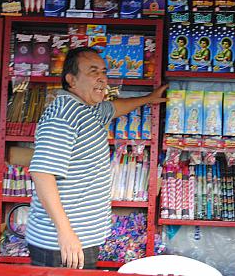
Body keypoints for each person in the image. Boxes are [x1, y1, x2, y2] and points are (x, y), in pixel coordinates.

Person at [26, 47, 168, 270]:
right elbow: (42, 174)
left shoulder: (88, 109)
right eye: (93, 72)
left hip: (81, 237)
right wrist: (66, 233)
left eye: (103, 71)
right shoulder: (63, 116)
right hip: (62, 245)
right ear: (71, 80)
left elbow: (114, 108)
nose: (102, 78)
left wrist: (149, 98)